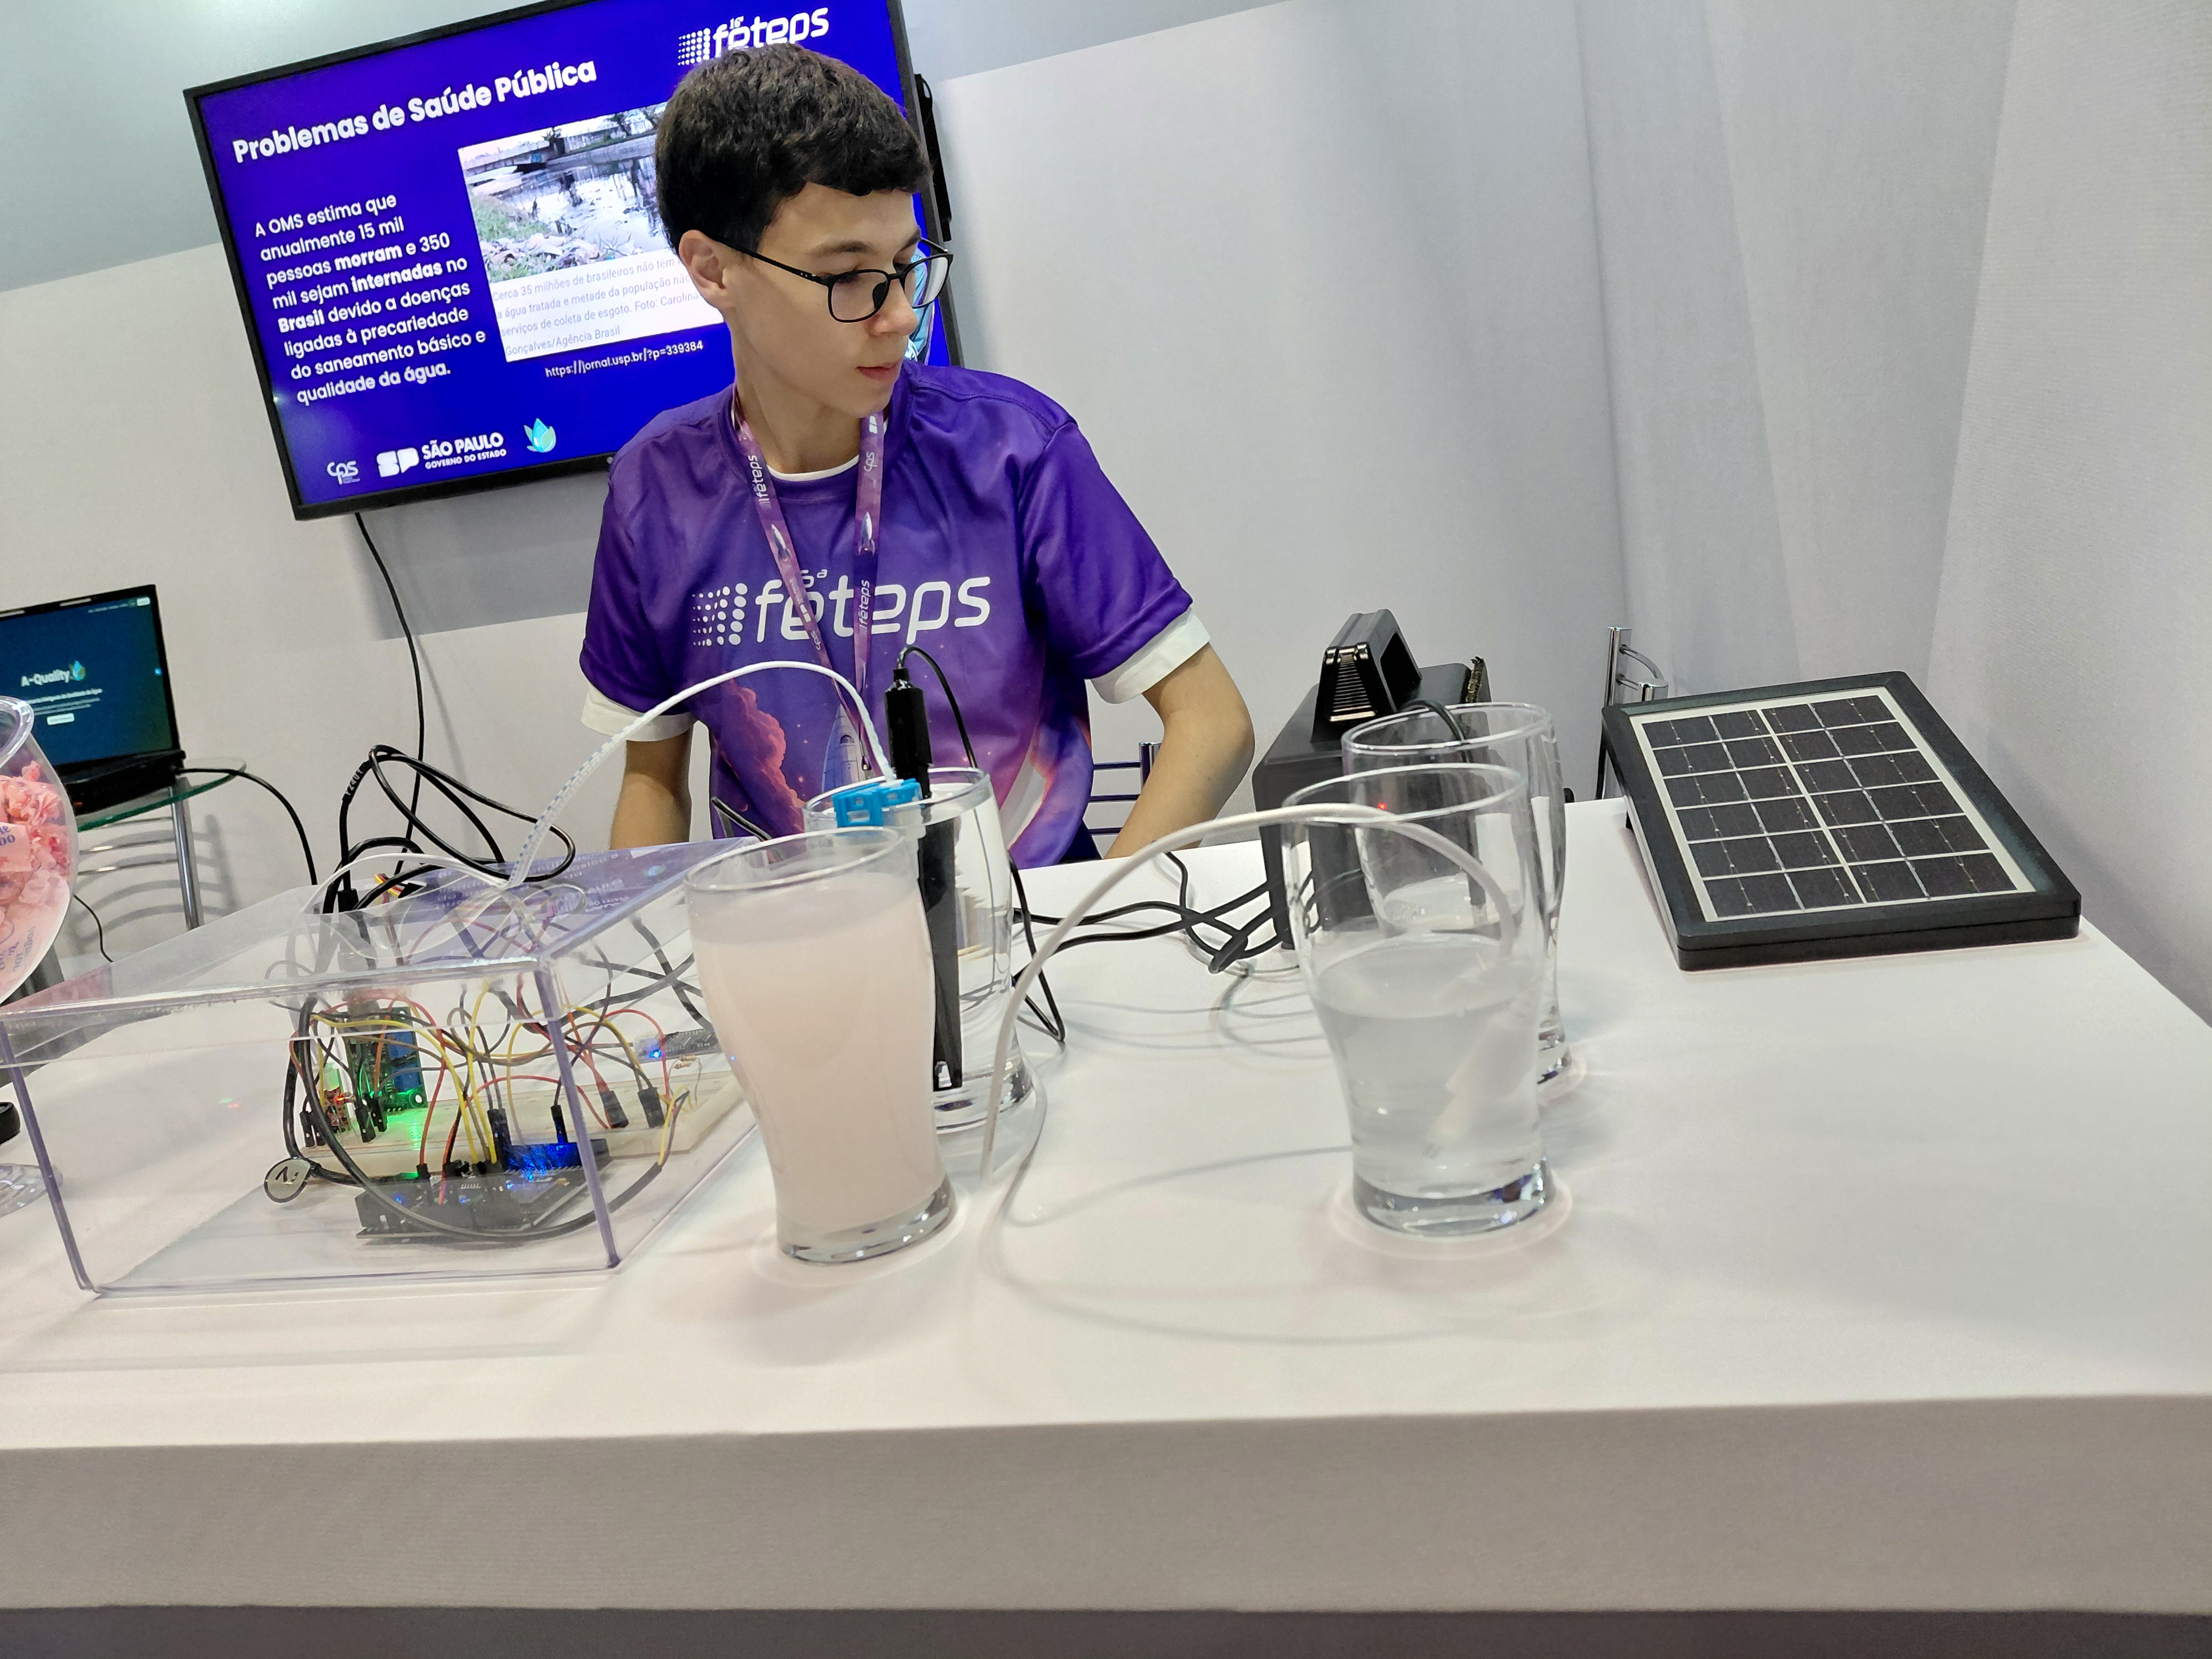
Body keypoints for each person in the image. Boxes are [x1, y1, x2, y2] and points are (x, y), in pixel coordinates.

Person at [580, 44, 1253, 865]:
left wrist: (1087, 922)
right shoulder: (654, 490)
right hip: (800, 928)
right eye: (848, 277)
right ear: (713, 269)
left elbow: (1212, 722)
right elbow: (652, 781)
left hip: (1026, 925)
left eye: (905, 267)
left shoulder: (1010, 450)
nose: (899, 315)